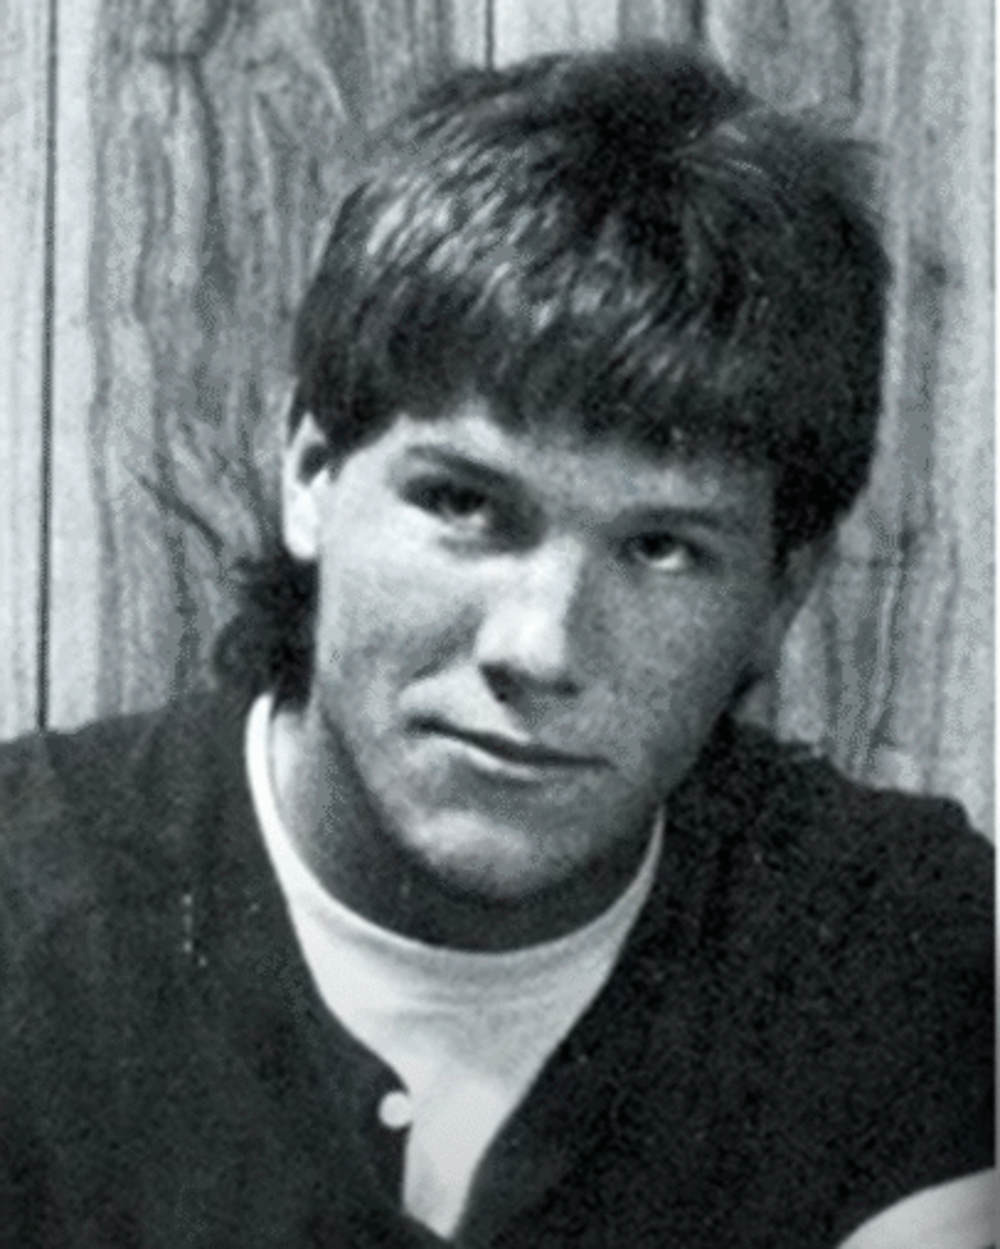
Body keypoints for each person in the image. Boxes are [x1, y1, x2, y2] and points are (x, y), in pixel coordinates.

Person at [0, 44, 992, 1249]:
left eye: (661, 548)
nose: (539, 645)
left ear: (783, 593)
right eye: (466, 505)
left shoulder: (884, 943)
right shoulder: (28, 917)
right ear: (312, 475)